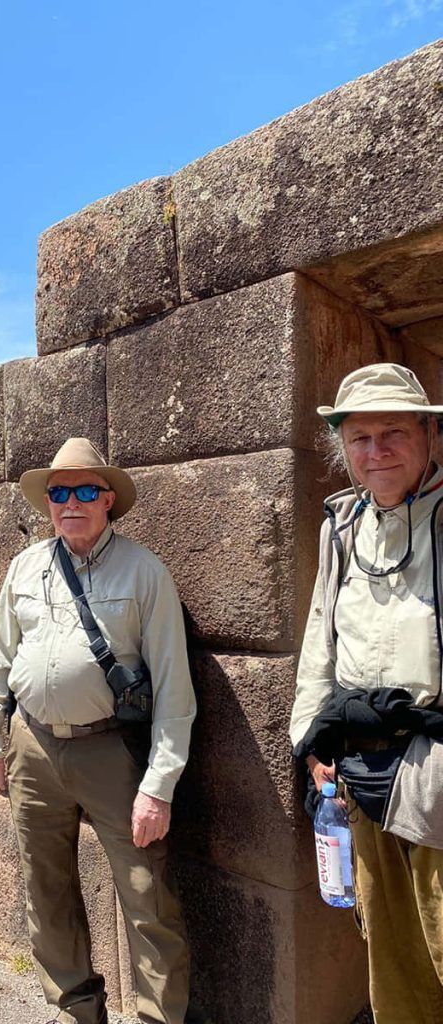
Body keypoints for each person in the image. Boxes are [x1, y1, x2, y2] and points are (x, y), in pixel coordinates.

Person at [0, 437, 196, 1024]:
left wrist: (159, 785)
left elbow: (175, 687)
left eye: (83, 490)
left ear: (107, 500)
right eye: (58, 492)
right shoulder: (24, 567)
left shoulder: (144, 572)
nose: (69, 503)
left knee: (146, 897)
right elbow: (0, 661)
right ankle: (77, 1010)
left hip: (111, 751)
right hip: (33, 744)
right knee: (44, 889)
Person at [289, 363, 443, 1024]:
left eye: (393, 433)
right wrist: (314, 738)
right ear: (341, 448)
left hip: (437, 766)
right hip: (362, 767)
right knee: (391, 952)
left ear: (427, 437)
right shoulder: (342, 529)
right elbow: (319, 637)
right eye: (359, 438)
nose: (375, 451)